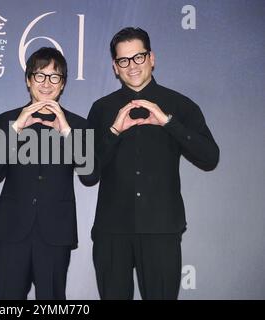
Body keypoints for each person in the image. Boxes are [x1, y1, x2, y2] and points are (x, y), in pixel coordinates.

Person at [87, 27, 219, 299]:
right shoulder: (101, 109)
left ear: (152, 58)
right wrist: (113, 132)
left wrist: (169, 123)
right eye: (123, 60)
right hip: (112, 230)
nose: (132, 66)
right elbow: (88, 172)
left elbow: (210, 157)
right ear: (115, 67)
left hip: (162, 228)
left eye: (138, 57)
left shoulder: (180, 105)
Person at [0, 47, 94, 300]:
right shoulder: (7, 119)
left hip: (56, 233)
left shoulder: (78, 124)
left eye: (54, 77)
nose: (47, 83)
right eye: (40, 75)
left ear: (63, 84)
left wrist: (66, 132)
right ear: (28, 80)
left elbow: (90, 175)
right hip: (12, 230)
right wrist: (15, 130)